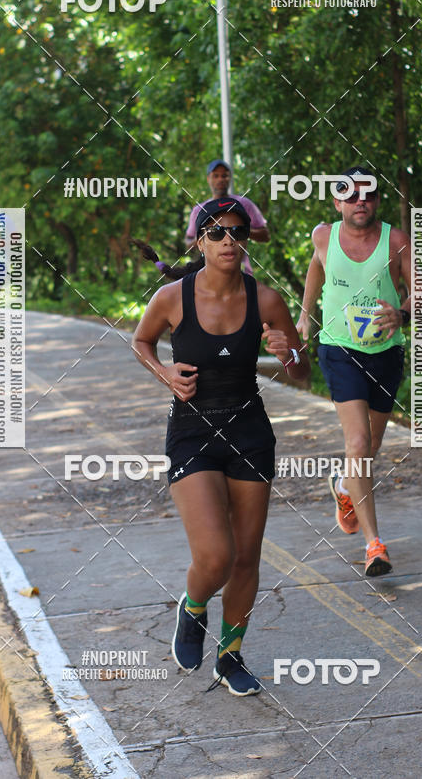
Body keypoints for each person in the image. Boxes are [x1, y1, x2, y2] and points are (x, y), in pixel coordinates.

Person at [132, 197, 309, 695]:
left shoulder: (267, 300)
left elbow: (301, 369)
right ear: (199, 241)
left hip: (249, 429)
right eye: (217, 233)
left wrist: (290, 353)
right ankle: (193, 609)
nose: (229, 241)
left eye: (238, 233)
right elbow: (141, 342)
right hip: (192, 430)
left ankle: (230, 656)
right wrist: (164, 372)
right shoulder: (172, 297)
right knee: (216, 556)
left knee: (247, 558)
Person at [297, 167, 411, 577]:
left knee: (372, 444)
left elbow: (421, 291)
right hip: (339, 349)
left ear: (377, 200)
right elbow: (317, 267)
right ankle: (374, 545)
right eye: (352, 195)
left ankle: (344, 486)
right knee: (358, 443)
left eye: (369, 195)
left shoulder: (396, 240)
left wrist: (402, 313)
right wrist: (305, 316)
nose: (361, 201)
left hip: (385, 353)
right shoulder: (324, 235)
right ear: (338, 202)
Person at [184, 160, 269, 275]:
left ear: (230, 178)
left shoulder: (244, 204)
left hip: (240, 272)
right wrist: (210, 234)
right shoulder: (198, 210)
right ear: (208, 179)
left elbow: (265, 235)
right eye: (216, 176)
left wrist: (240, 231)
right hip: (210, 274)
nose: (220, 179)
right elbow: (188, 242)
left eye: (224, 176)